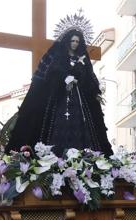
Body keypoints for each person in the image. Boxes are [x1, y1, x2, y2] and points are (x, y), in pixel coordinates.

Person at [6, 27, 113, 157]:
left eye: (77, 41)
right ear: (67, 41)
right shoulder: (58, 56)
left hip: (78, 100)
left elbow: (89, 77)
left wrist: (78, 77)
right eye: (72, 40)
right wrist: (63, 78)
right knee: (57, 124)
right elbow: (50, 74)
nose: (75, 43)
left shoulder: (82, 58)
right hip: (60, 99)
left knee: (81, 125)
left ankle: (82, 155)